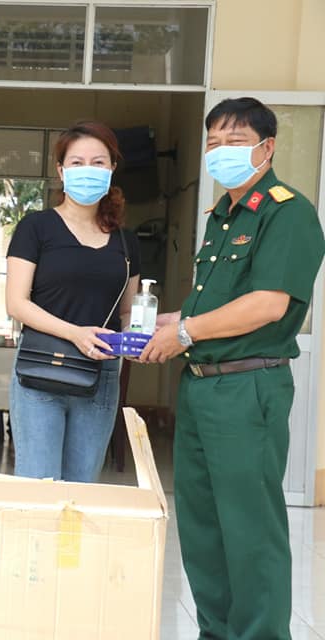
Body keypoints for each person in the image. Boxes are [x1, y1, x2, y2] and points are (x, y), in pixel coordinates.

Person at [141, 97, 324, 640]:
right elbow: (221, 304)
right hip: (202, 386)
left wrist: (185, 332)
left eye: (236, 141)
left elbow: (268, 303)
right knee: (203, 528)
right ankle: (216, 633)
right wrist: (176, 320)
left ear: (267, 148)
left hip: (249, 387)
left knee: (249, 529)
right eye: (214, 142)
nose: (222, 151)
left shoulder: (287, 213)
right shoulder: (221, 216)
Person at [5, 120, 141, 483]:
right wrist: (75, 334)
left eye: (98, 162)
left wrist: (136, 339)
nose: (88, 170)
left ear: (112, 168)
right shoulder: (35, 228)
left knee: (83, 487)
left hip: (101, 372)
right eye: (77, 162)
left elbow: (127, 310)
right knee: (38, 486)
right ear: (61, 171)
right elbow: (16, 303)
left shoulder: (126, 242)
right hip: (41, 367)